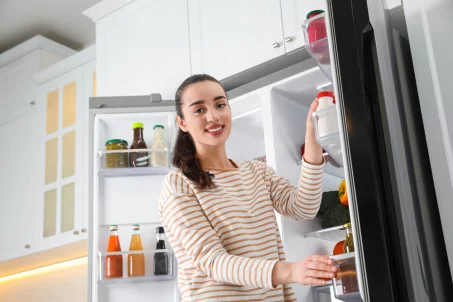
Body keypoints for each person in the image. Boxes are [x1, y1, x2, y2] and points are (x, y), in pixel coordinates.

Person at [158, 74, 338, 301]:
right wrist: (291, 271)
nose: (213, 116)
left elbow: (303, 208)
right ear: (182, 122)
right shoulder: (179, 184)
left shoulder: (256, 171)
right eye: (199, 110)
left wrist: (312, 140)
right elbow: (213, 262)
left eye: (220, 104)